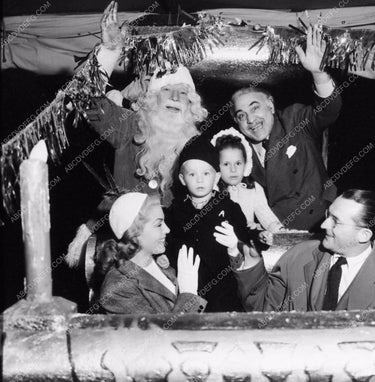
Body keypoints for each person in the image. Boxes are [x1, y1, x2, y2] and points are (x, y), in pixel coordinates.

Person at [85, 1, 208, 206]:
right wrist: (109, 51)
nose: (175, 98)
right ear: (152, 98)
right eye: (167, 90)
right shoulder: (129, 125)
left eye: (183, 93)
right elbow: (90, 103)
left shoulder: (196, 144)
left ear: (191, 104)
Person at [229, 189, 375, 312]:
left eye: (336, 221)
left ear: (363, 235)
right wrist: (252, 265)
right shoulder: (298, 256)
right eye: (328, 215)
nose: (324, 224)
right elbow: (264, 313)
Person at [230, 26, 342, 231]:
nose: (250, 120)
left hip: (319, 224)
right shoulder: (238, 148)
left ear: (271, 106)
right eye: (241, 116)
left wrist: (318, 73)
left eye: (255, 108)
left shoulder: (293, 120)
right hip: (273, 230)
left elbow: (328, 111)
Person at [165, 137, 252, 312]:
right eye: (192, 174)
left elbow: (245, 247)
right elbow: (168, 244)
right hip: (186, 288)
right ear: (182, 179)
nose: (199, 180)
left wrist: (235, 247)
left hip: (224, 291)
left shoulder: (230, 209)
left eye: (206, 174)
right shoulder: (175, 212)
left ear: (217, 176)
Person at [94, 192, 207, 314]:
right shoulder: (117, 289)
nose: (167, 230)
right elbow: (160, 332)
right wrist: (188, 294)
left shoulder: (161, 262)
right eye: (158, 224)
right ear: (134, 234)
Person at [211, 127, 284, 246]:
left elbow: (267, 216)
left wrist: (277, 231)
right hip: (221, 243)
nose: (233, 169)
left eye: (238, 163)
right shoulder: (214, 191)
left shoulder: (253, 188)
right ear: (216, 166)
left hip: (247, 242)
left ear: (246, 163)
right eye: (226, 164)